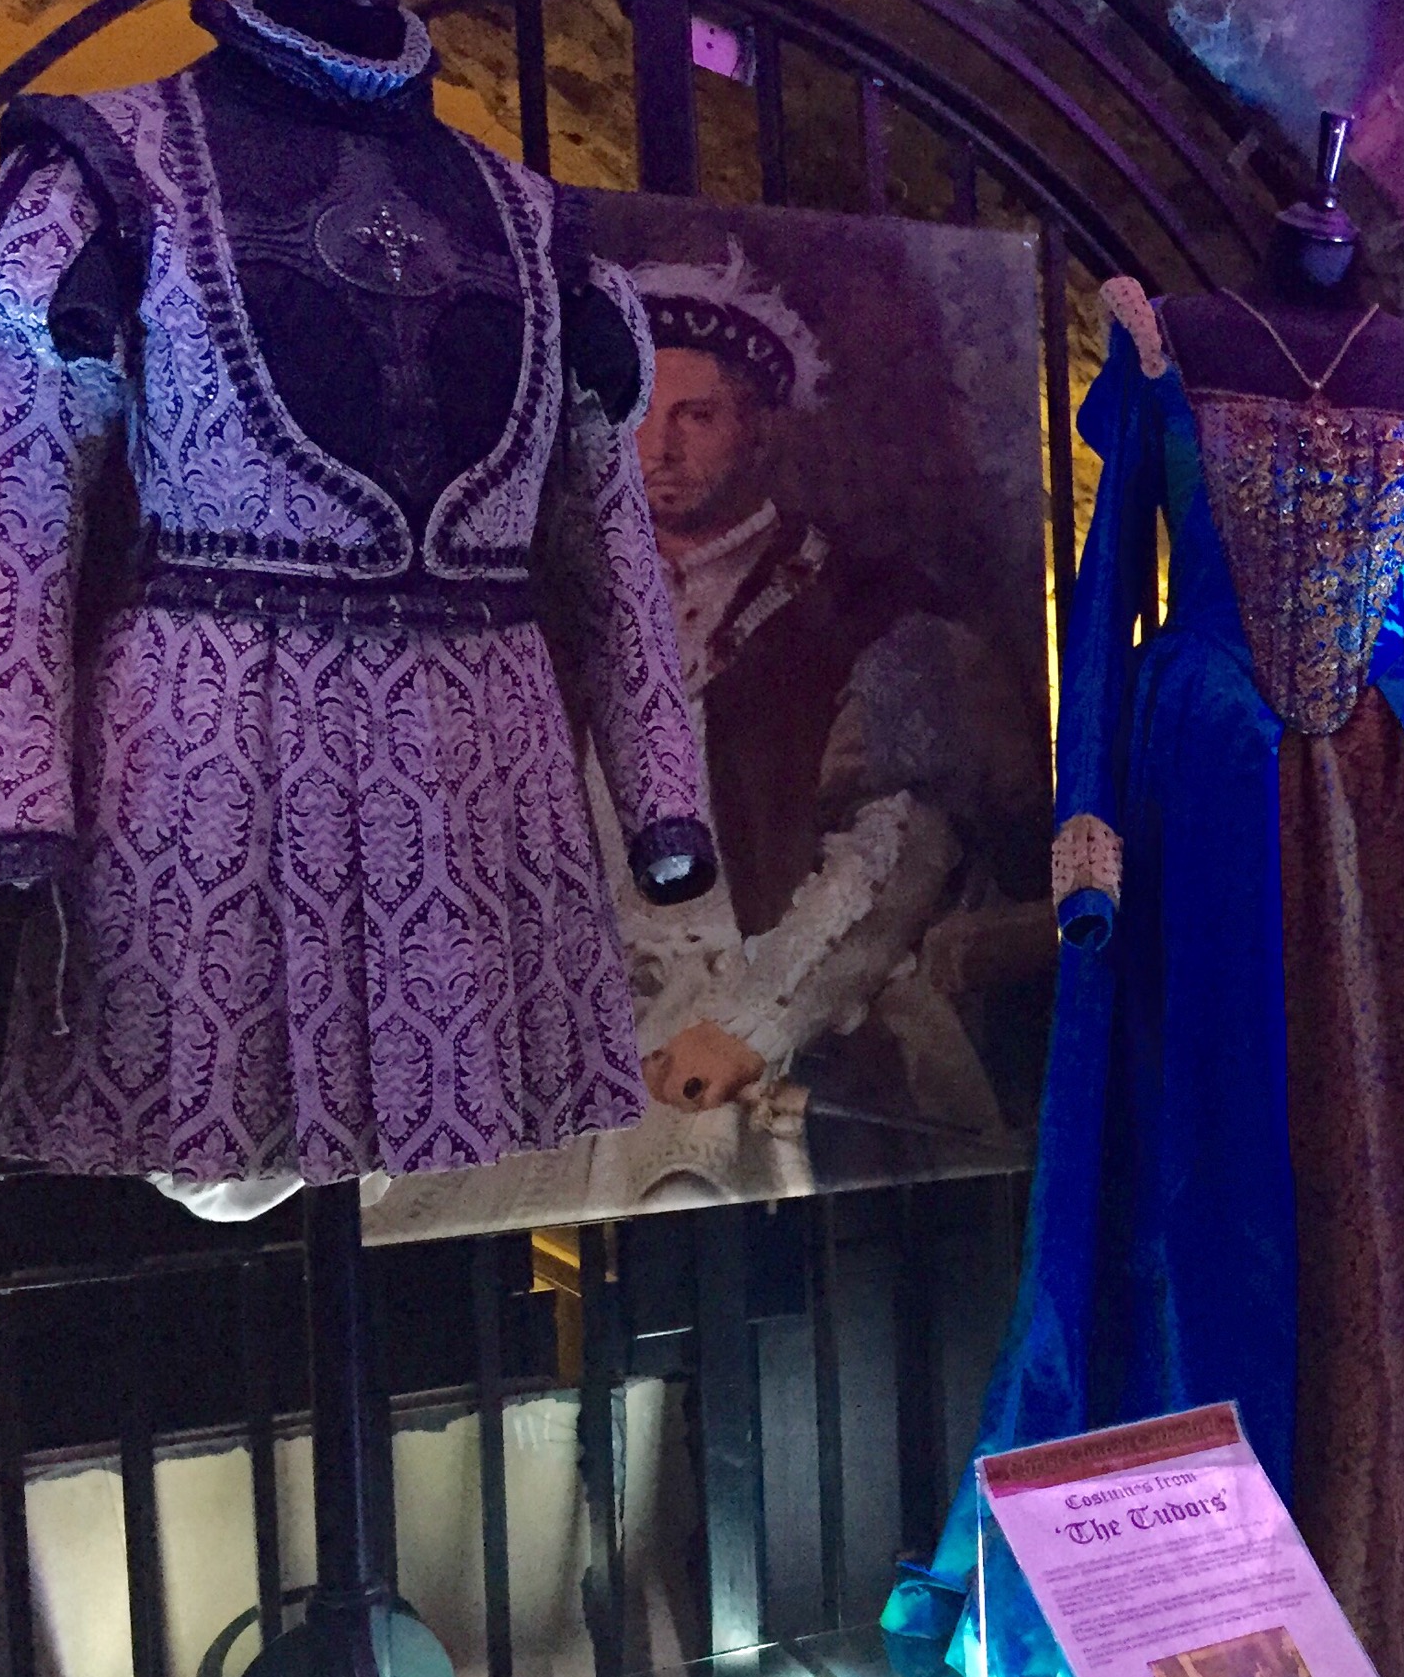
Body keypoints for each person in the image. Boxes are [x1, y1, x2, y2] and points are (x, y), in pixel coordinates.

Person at [364, 239, 1047, 1236]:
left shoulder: (870, 609)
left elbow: (897, 850)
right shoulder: (547, 606)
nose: (660, 449)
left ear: (757, 430)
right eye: (640, 414)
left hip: (799, 1007)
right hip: (577, 1009)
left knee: (719, 1214)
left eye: (697, 416)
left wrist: (754, 1022)